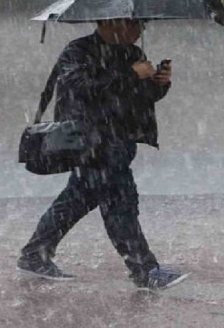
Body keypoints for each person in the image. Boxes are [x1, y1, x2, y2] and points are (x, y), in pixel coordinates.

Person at [16, 18, 188, 291]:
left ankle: (35, 255)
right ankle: (145, 270)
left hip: (120, 140)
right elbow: (81, 88)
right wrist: (130, 75)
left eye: (141, 26)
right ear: (109, 23)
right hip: (90, 142)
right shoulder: (78, 51)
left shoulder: (132, 53)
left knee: (76, 200)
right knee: (121, 204)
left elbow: (141, 96)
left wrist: (158, 83)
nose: (138, 31)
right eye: (133, 25)